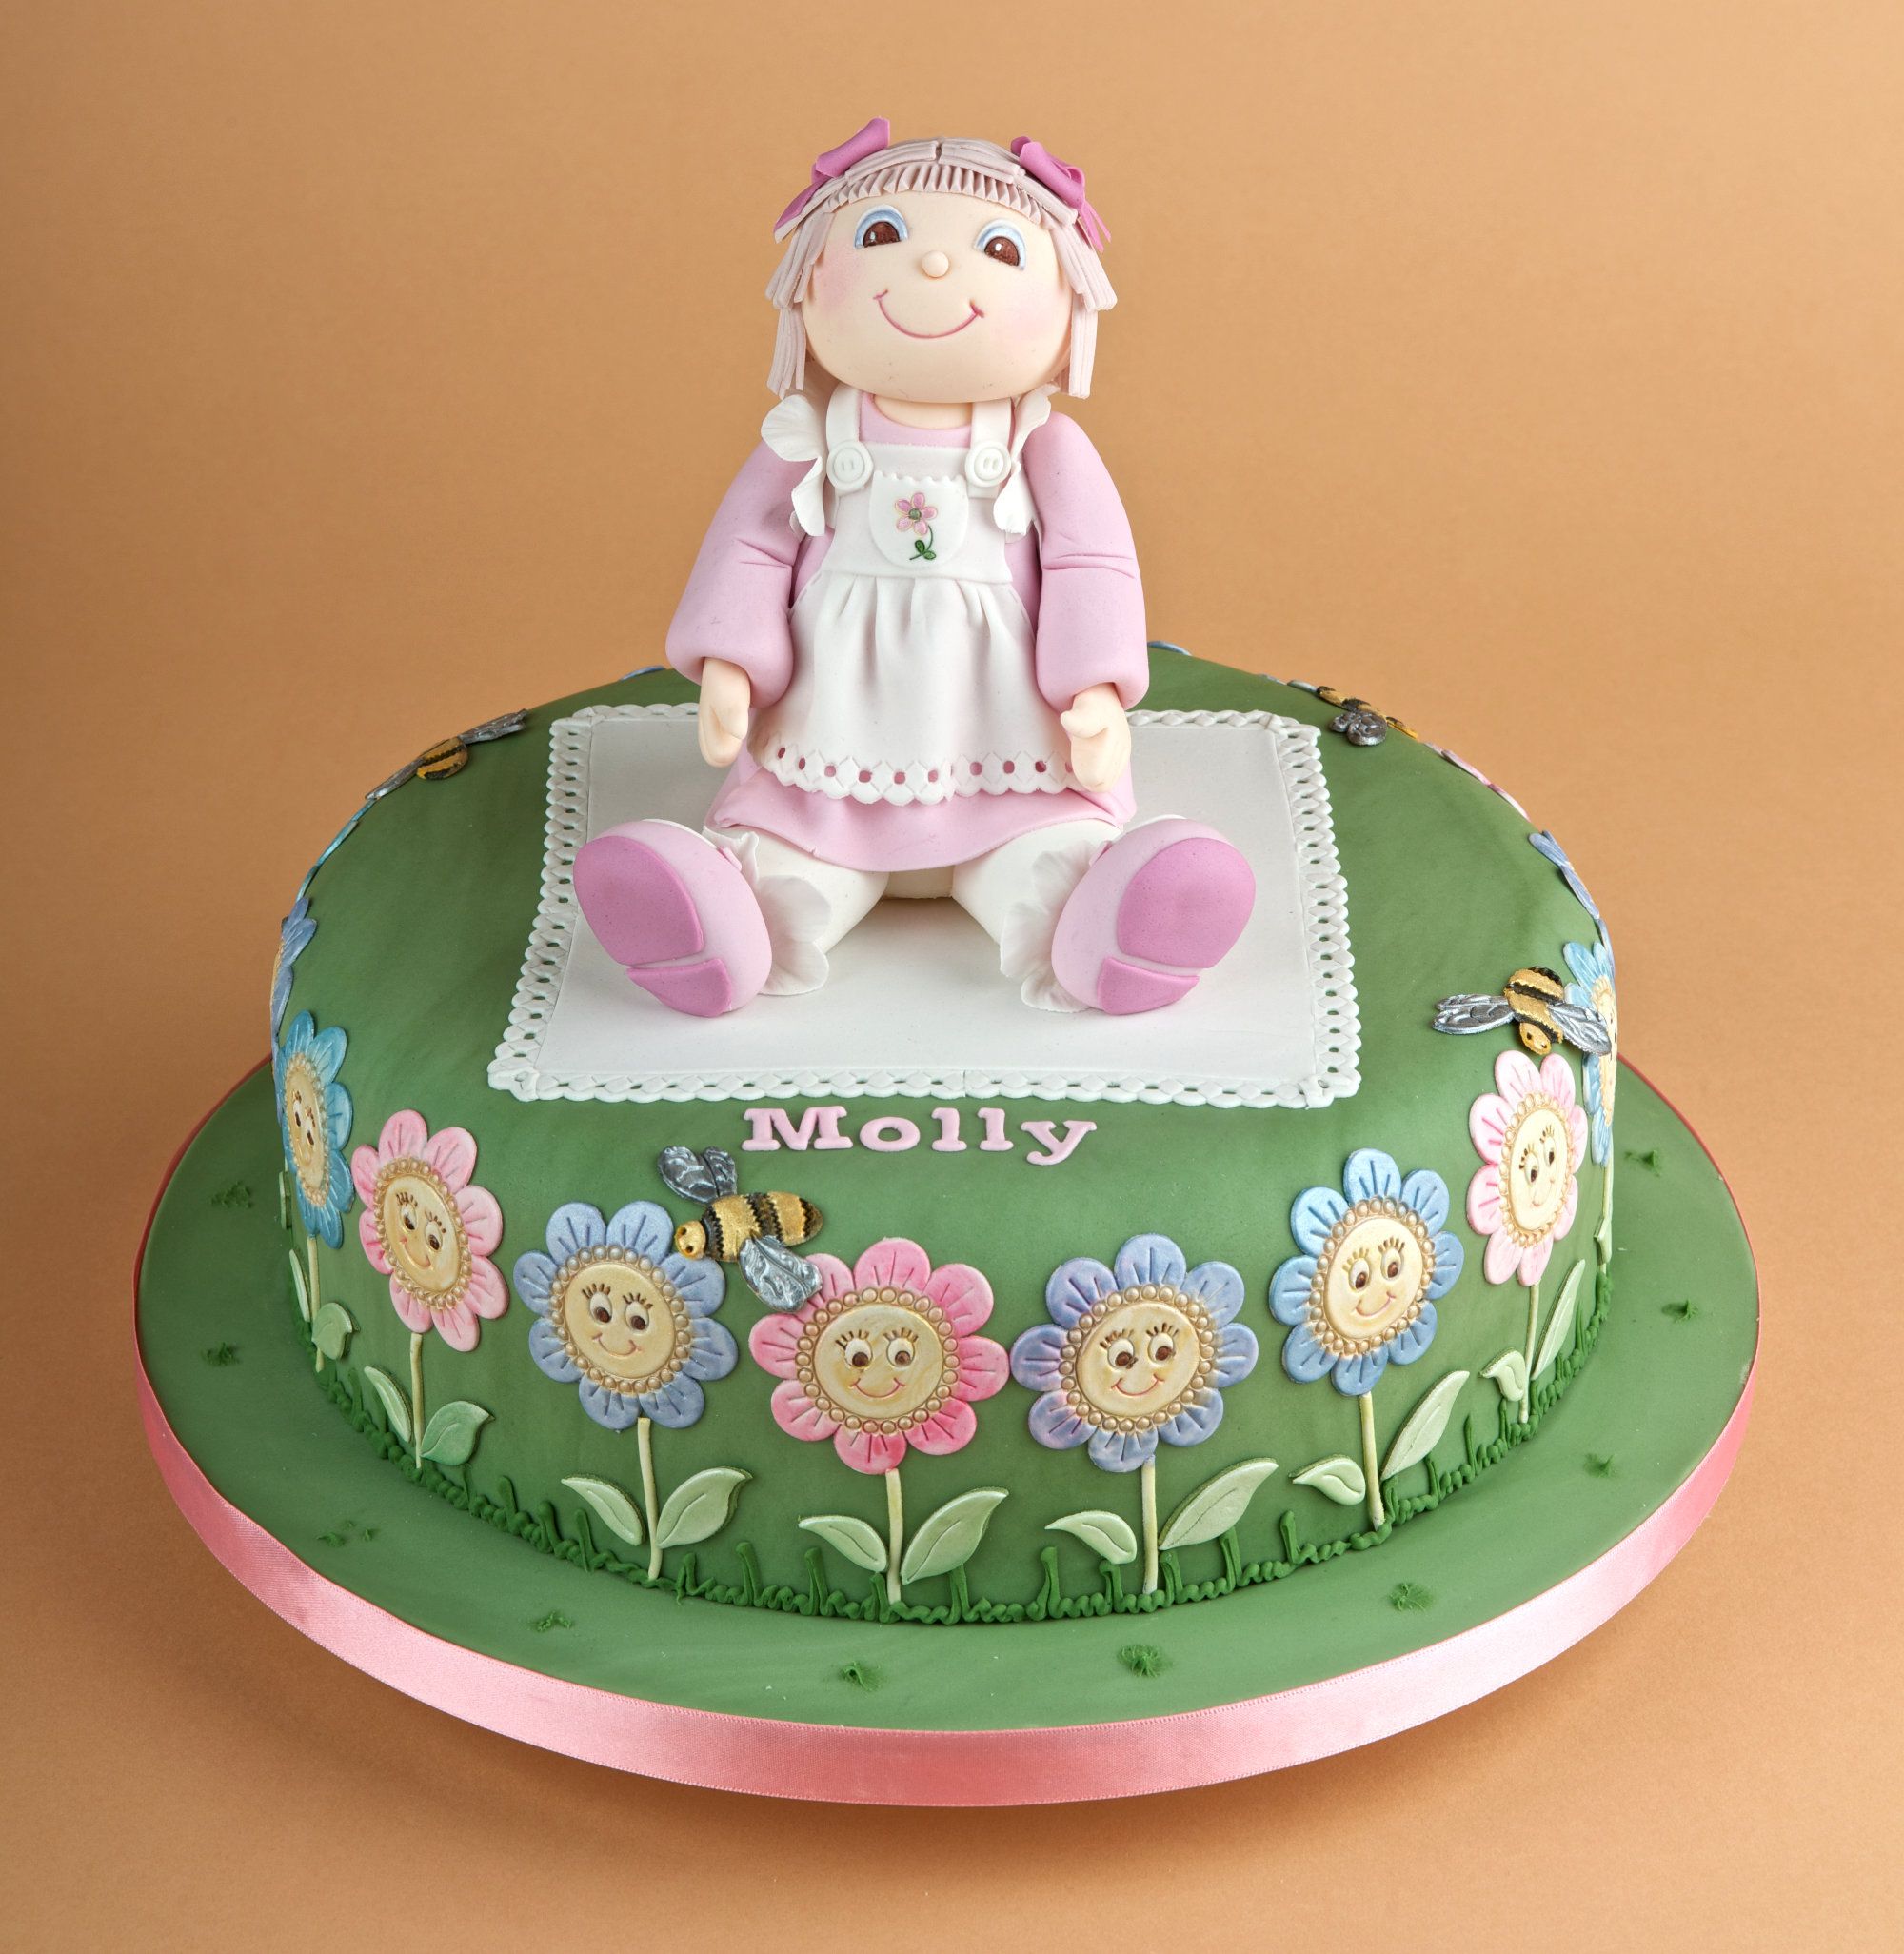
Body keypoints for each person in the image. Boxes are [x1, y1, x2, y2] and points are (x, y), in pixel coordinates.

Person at [576, 122, 1254, 1017]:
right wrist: (730, 664)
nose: (934, 265)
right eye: (882, 234)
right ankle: (718, 927)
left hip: (1007, 751)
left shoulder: (1042, 446)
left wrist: (1094, 687)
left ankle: (1111, 931)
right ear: (806, 280)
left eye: (998, 250)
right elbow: (751, 548)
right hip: (829, 749)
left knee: (1042, 860)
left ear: (1070, 306)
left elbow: (1092, 564)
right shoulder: (806, 438)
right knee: (791, 864)